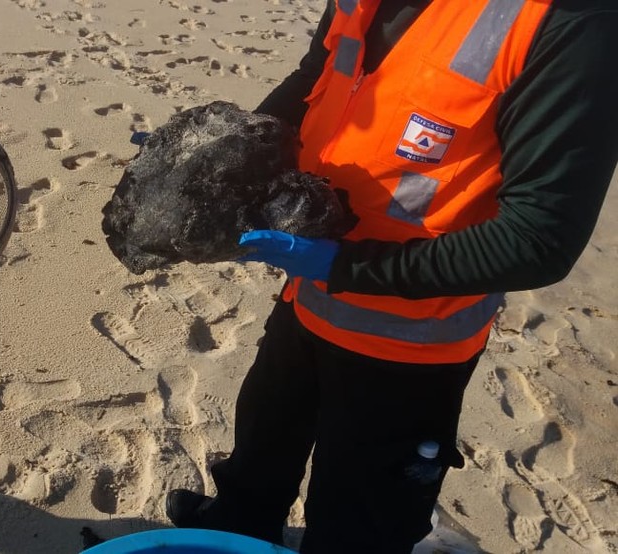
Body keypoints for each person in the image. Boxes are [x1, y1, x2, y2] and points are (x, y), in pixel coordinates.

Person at [164, 0, 618, 552]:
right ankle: (237, 524)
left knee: (360, 522)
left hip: (410, 344)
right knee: (264, 437)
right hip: (308, 292)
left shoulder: (568, 21)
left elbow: (538, 240)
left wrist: (342, 264)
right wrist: (222, 159)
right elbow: (317, 80)